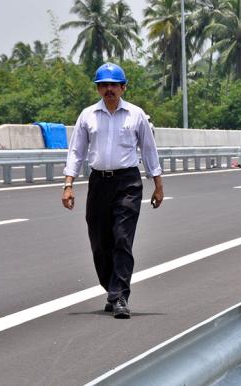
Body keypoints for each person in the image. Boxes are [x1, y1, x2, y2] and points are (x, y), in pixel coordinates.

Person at [61, 63, 164, 319]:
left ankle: (120, 297)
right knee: (99, 242)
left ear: (123, 87)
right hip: (99, 183)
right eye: (103, 85)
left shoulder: (136, 115)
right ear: (98, 88)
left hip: (127, 182)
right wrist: (68, 185)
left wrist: (158, 185)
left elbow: (149, 151)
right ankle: (112, 288)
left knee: (122, 238)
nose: (109, 89)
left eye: (113, 85)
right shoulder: (87, 116)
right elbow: (76, 152)